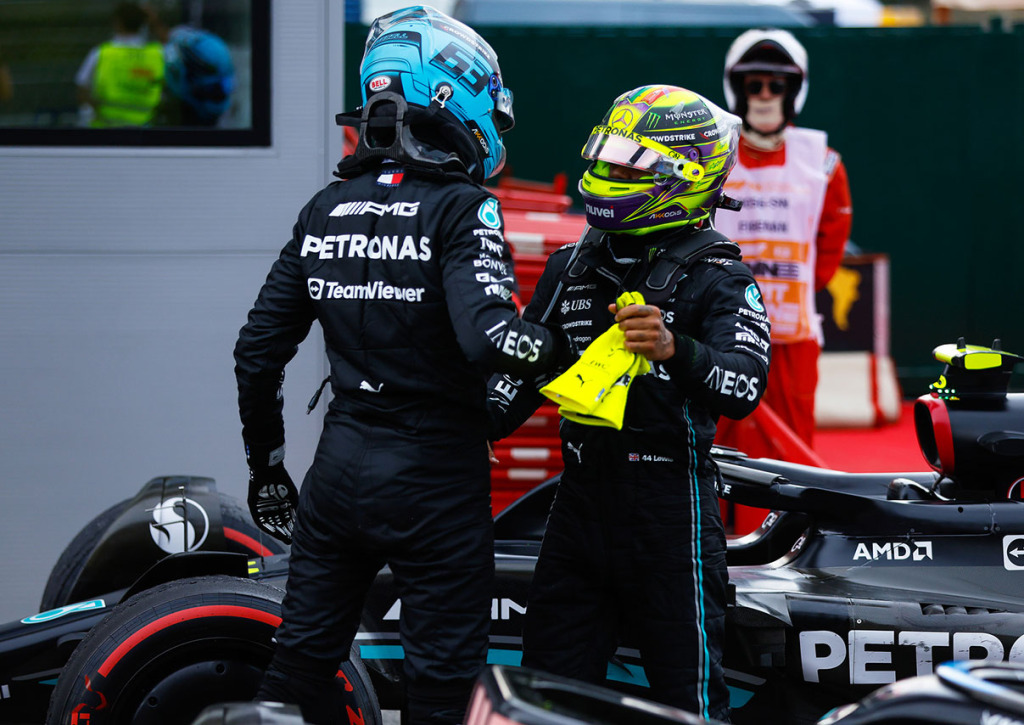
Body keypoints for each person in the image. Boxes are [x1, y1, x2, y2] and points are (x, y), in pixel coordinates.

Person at [233, 7, 573, 725]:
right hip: (435, 481)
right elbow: (489, 338)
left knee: (298, 665)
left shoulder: (325, 207)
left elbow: (256, 352)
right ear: (449, 93)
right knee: (443, 686)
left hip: (336, 473)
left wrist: (267, 468)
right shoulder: (464, 208)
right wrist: (559, 348)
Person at [487, 85, 771, 722]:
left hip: (672, 512)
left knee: (690, 704)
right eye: (608, 160)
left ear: (686, 176)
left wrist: (676, 349)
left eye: (628, 166)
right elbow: (523, 373)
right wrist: (470, 424)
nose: (609, 176)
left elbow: (746, 386)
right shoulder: (571, 265)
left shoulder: (719, 275)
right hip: (578, 502)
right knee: (542, 699)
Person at [713, 28, 853, 450]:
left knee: (792, 445)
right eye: (753, 84)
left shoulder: (823, 162)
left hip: (793, 335)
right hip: (718, 324)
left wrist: (793, 292)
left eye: (777, 85)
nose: (764, 95)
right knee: (718, 438)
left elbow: (831, 241)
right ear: (736, 88)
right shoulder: (712, 151)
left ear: (794, 90)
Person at [75, 2, 164, 128]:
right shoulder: (157, 54)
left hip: (106, 129)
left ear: (117, 23)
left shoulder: (102, 53)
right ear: (144, 23)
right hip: (144, 129)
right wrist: (155, 23)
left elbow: (82, 89)